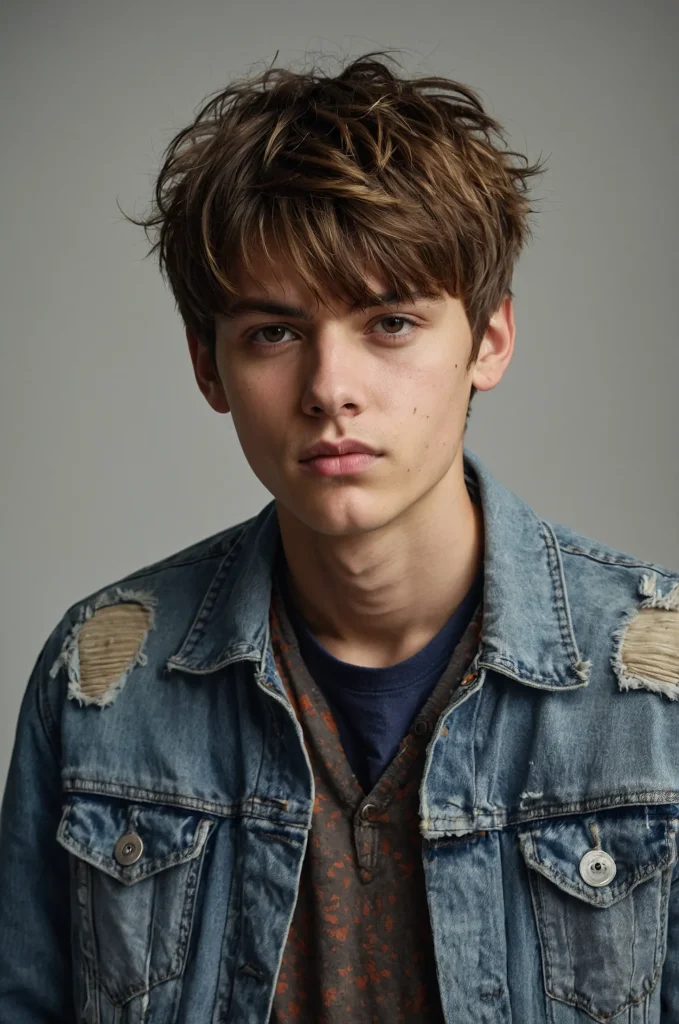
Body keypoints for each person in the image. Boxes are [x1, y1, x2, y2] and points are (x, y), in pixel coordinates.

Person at [1, 49, 678, 1024]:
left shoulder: (653, 692)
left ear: (488, 338)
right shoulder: (104, 680)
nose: (329, 388)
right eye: (274, 333)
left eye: (390, 322)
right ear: (208, 365)